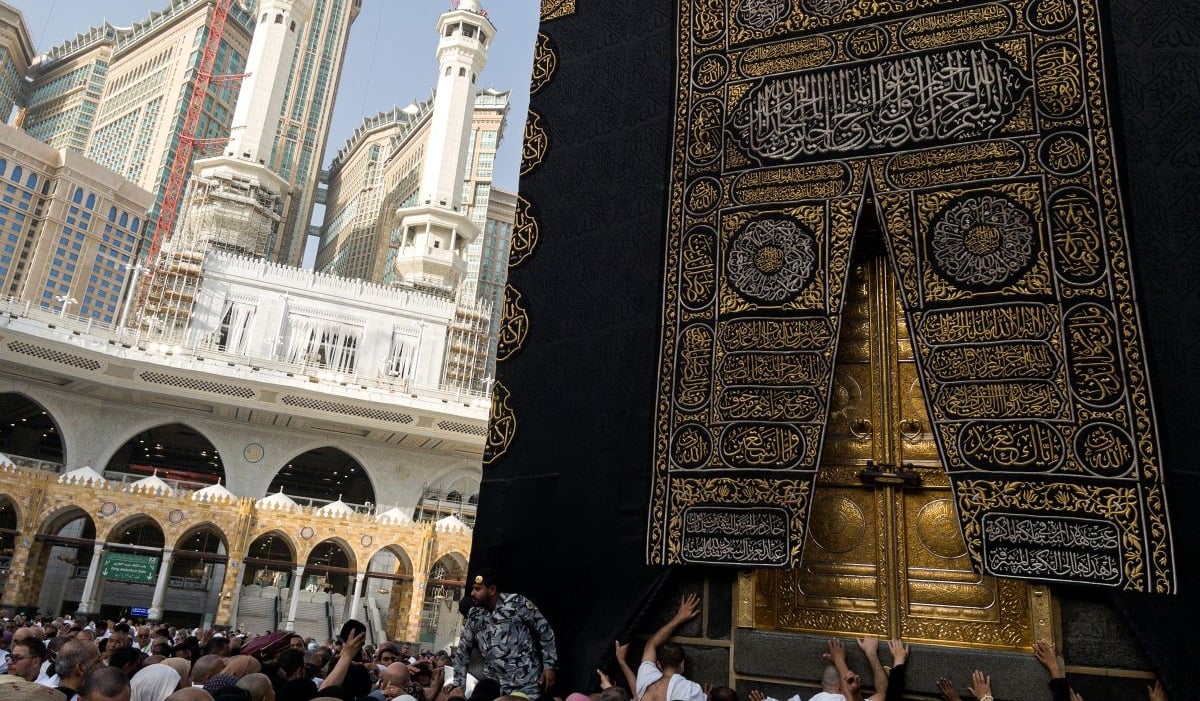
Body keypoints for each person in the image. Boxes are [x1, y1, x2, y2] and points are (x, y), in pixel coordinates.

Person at [453, 569, 557, 699]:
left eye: (478, 589)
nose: (473, 593)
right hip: (495, 684)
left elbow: (545, 630)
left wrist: (549, 666)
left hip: (524, 682)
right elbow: (463, 652)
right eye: (473, 589)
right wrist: (458, 686)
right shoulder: (475, 615)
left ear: (491, 590)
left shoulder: (516, 603)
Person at [631, 593, 705, 701]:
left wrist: (678, 618)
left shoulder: (645, 678)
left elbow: (651, 644)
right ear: (682, 664)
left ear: (658, 665)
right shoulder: (690, 690)